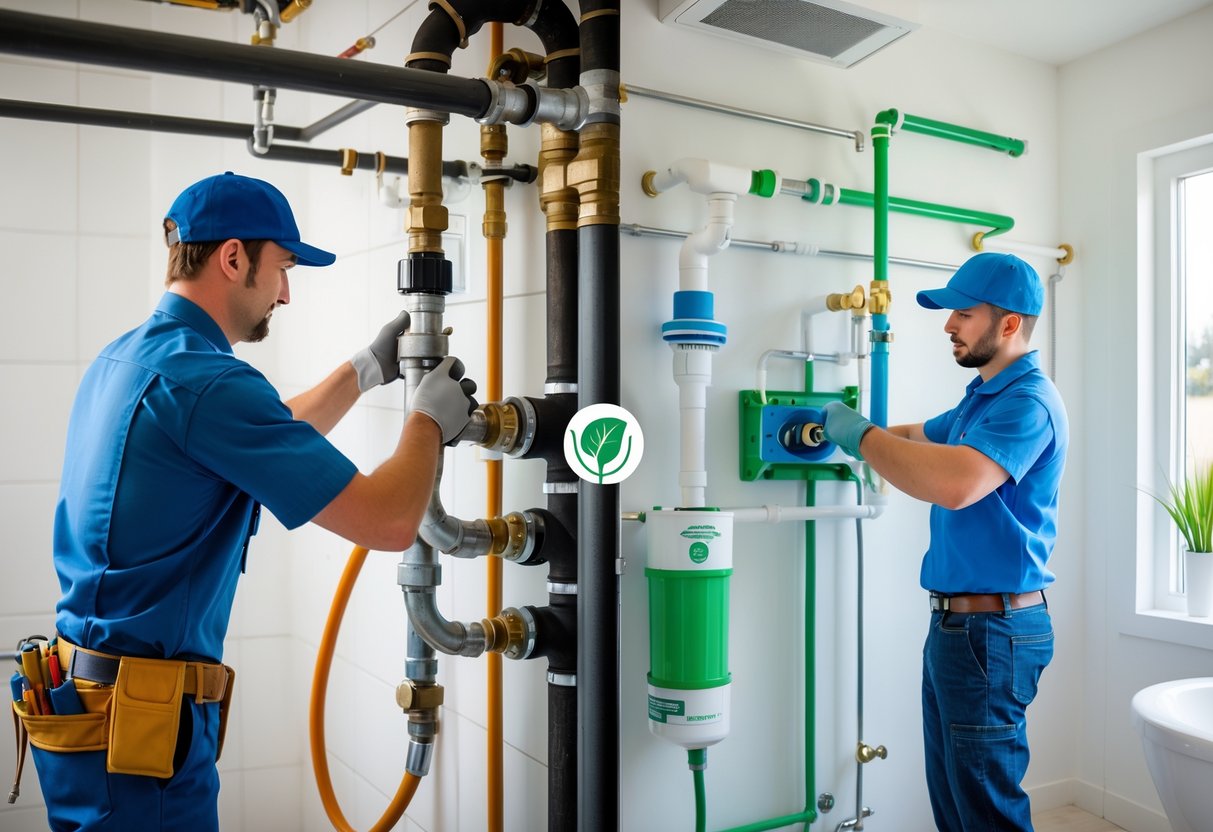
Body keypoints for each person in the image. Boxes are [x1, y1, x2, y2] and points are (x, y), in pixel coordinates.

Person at [23, 172, 477, 831]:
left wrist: (363, 370)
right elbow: (387, 519)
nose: (286, 293)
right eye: (282, 267)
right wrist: (428, 423)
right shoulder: (207, 381)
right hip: (140, 735)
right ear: (234, 258)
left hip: (86, 706)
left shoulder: (129, 358)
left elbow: (252, 440)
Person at [822, 252, 1069, 831]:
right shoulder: (981, 399)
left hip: (993, 633)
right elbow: (914, 438)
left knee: (986, 814)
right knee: (957, 808)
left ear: (1009, 325)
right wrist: (844, 427)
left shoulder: (1026, 403)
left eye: (963, 313)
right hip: (961, 630)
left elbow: (954, 483)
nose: (949, 324)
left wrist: (858, 436)